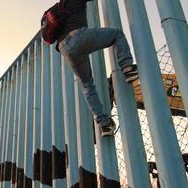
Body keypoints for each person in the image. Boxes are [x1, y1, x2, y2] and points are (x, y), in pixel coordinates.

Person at [53, 0, 139, 137]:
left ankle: (104, 124)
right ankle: (127, 68)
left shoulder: (57, 8)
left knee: (87, 84)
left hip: (64, 48)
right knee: (117, 35)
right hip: (78, 37)